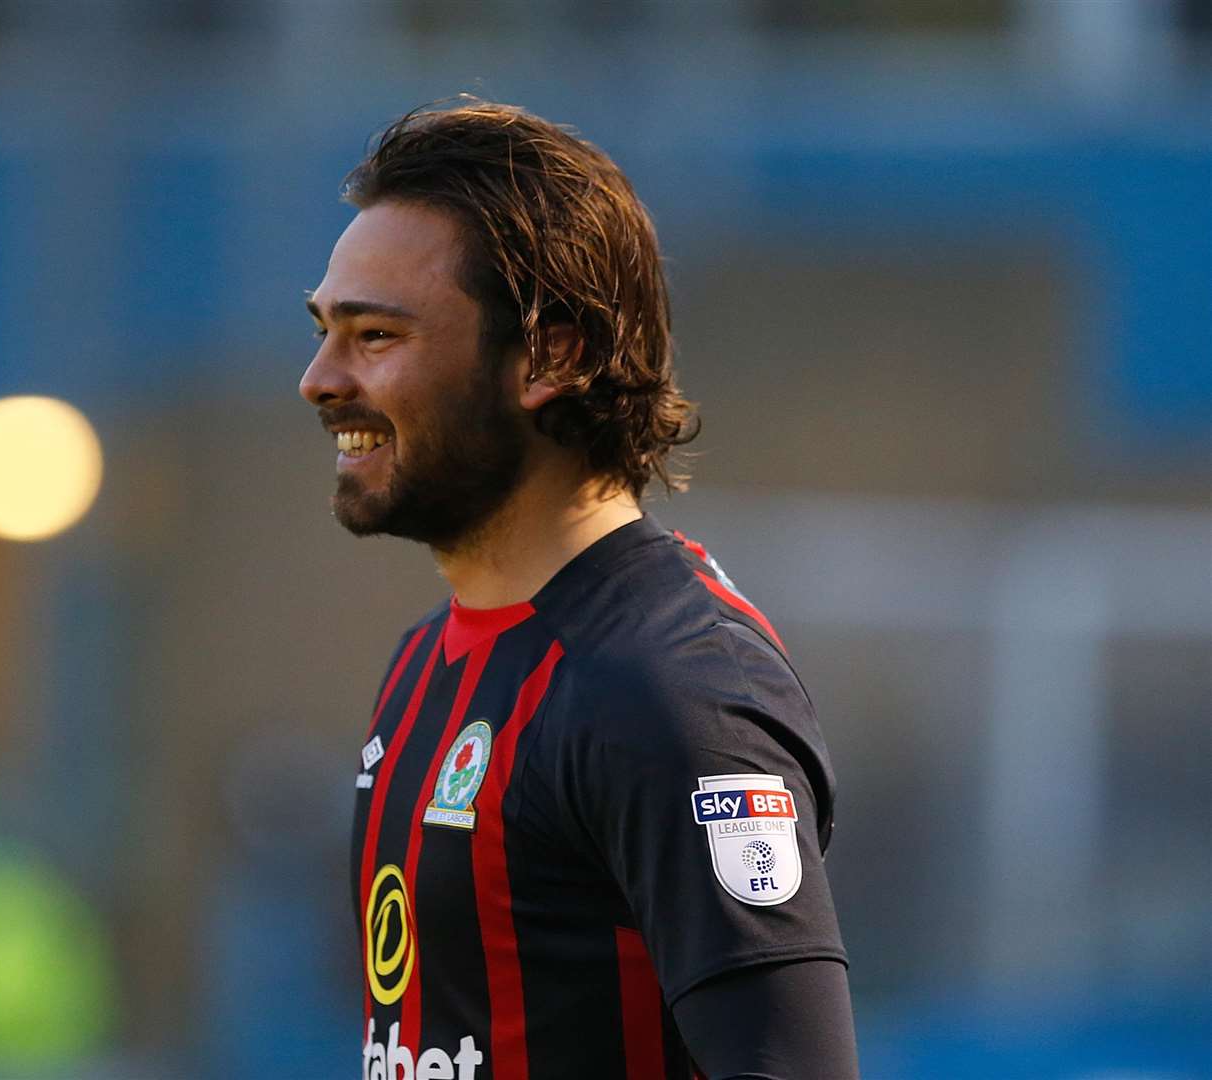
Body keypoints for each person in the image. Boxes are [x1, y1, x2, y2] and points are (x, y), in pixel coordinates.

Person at [299, 99, 858, 1080]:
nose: (318, 378)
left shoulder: (665, 690)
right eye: (324, 331)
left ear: (551, 355)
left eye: (374, 335)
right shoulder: (426, 661)